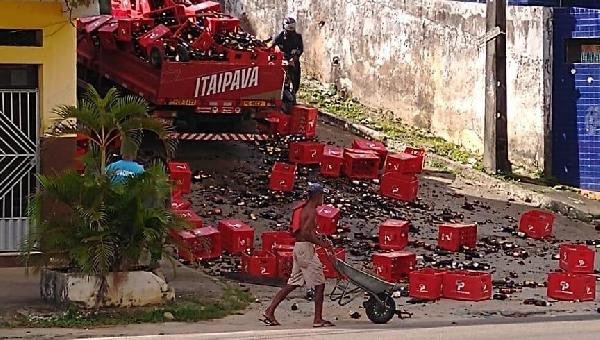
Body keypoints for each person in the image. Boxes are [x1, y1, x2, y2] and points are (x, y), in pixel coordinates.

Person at [261, 183, 335, 328]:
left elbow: (303, 231)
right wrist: (322, 244)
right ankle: (317, 319)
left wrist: (319, 238)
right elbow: (306, 233)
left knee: (293, 283)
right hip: (305, 250)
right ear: (317, 196)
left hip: (299, 248)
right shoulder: (311, 211)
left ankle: (269, 311)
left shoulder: (303, 209)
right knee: (320, 284)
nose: (323, 198)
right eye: (322, 195)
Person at [273, 17, 304, 96]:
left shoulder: (298, 37)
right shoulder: (279, 37)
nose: (290, 29)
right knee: (280, 79)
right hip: (282, 62)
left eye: (292, 26)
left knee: (295, 79)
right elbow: (273, 47)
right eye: (288, 26)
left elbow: (300, 49)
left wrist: (294, 57)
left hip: (293, 61)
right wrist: (281, 55)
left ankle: (293, 93)